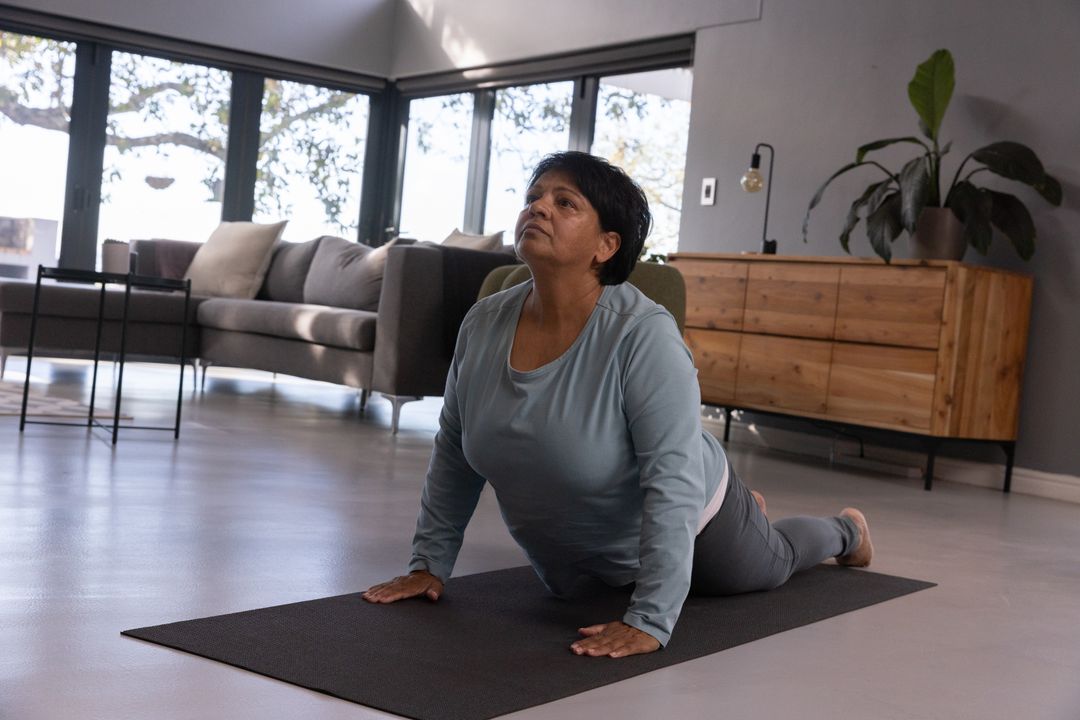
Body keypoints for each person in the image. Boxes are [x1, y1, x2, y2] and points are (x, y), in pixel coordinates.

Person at [362, 151, 873, 658]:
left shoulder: (644, 336)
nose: (538, 207)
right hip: (583, 558)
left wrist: (650, 618)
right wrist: (427, 565)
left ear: (606, 245)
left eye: (565, 202)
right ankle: (750, 512)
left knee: (774, 561)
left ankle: (845, 530)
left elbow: (672, 483)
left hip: (697, 518)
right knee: (576, 598)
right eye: (534, 197)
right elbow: (455, 452)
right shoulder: (482, 323)